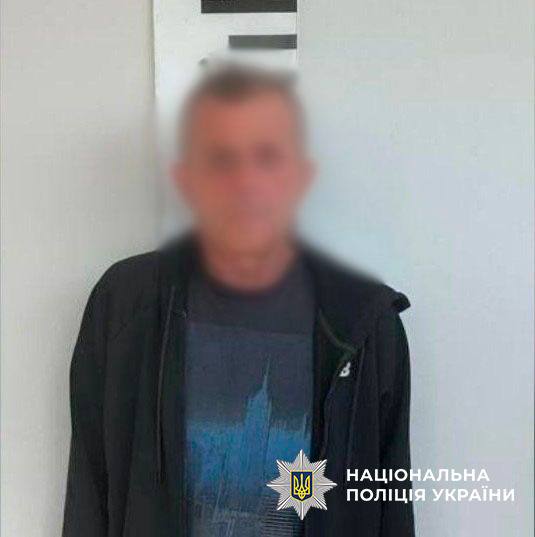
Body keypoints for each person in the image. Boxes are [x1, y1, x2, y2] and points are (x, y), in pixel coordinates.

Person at [62, 64, 415, 537]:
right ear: (186, 177)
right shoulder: (125, 306)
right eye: (220, 158)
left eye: (267, 156)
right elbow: (88, 493)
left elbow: (391, 507)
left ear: (300, 175)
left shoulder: (366, 325)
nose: (245, 181)